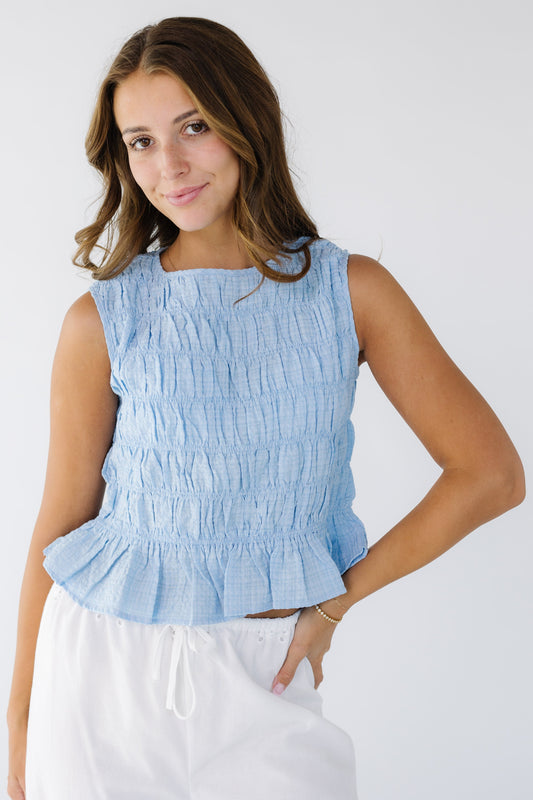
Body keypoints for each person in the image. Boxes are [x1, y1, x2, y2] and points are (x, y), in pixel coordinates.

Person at [6, 15, 525, 800]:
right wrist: (19, 730)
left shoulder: (350, 293)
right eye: (139, 140)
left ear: (246, 122)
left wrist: (334, 604)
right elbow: (61, 525)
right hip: (100, 677)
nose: (168, 164)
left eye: (194, 127)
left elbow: (489, 474)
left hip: (265, 678)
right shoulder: (104, 318)